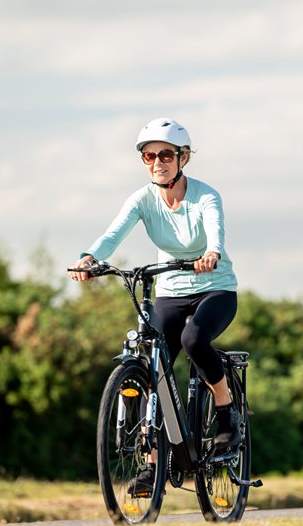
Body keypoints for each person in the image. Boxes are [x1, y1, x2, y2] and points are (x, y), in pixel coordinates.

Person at [68, 117, 240, 495]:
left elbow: (215, 228)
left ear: (183, 158)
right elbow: (114, 232)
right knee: (152, 365)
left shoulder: (205, 196)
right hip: (170, 291)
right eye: (149, 156)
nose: (157, 162)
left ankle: (227, 409)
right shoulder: (143, 199)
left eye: (165, 154)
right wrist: (89, 259)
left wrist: (212, 252)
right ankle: (151, 467)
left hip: (215, 289)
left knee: (195, 340)